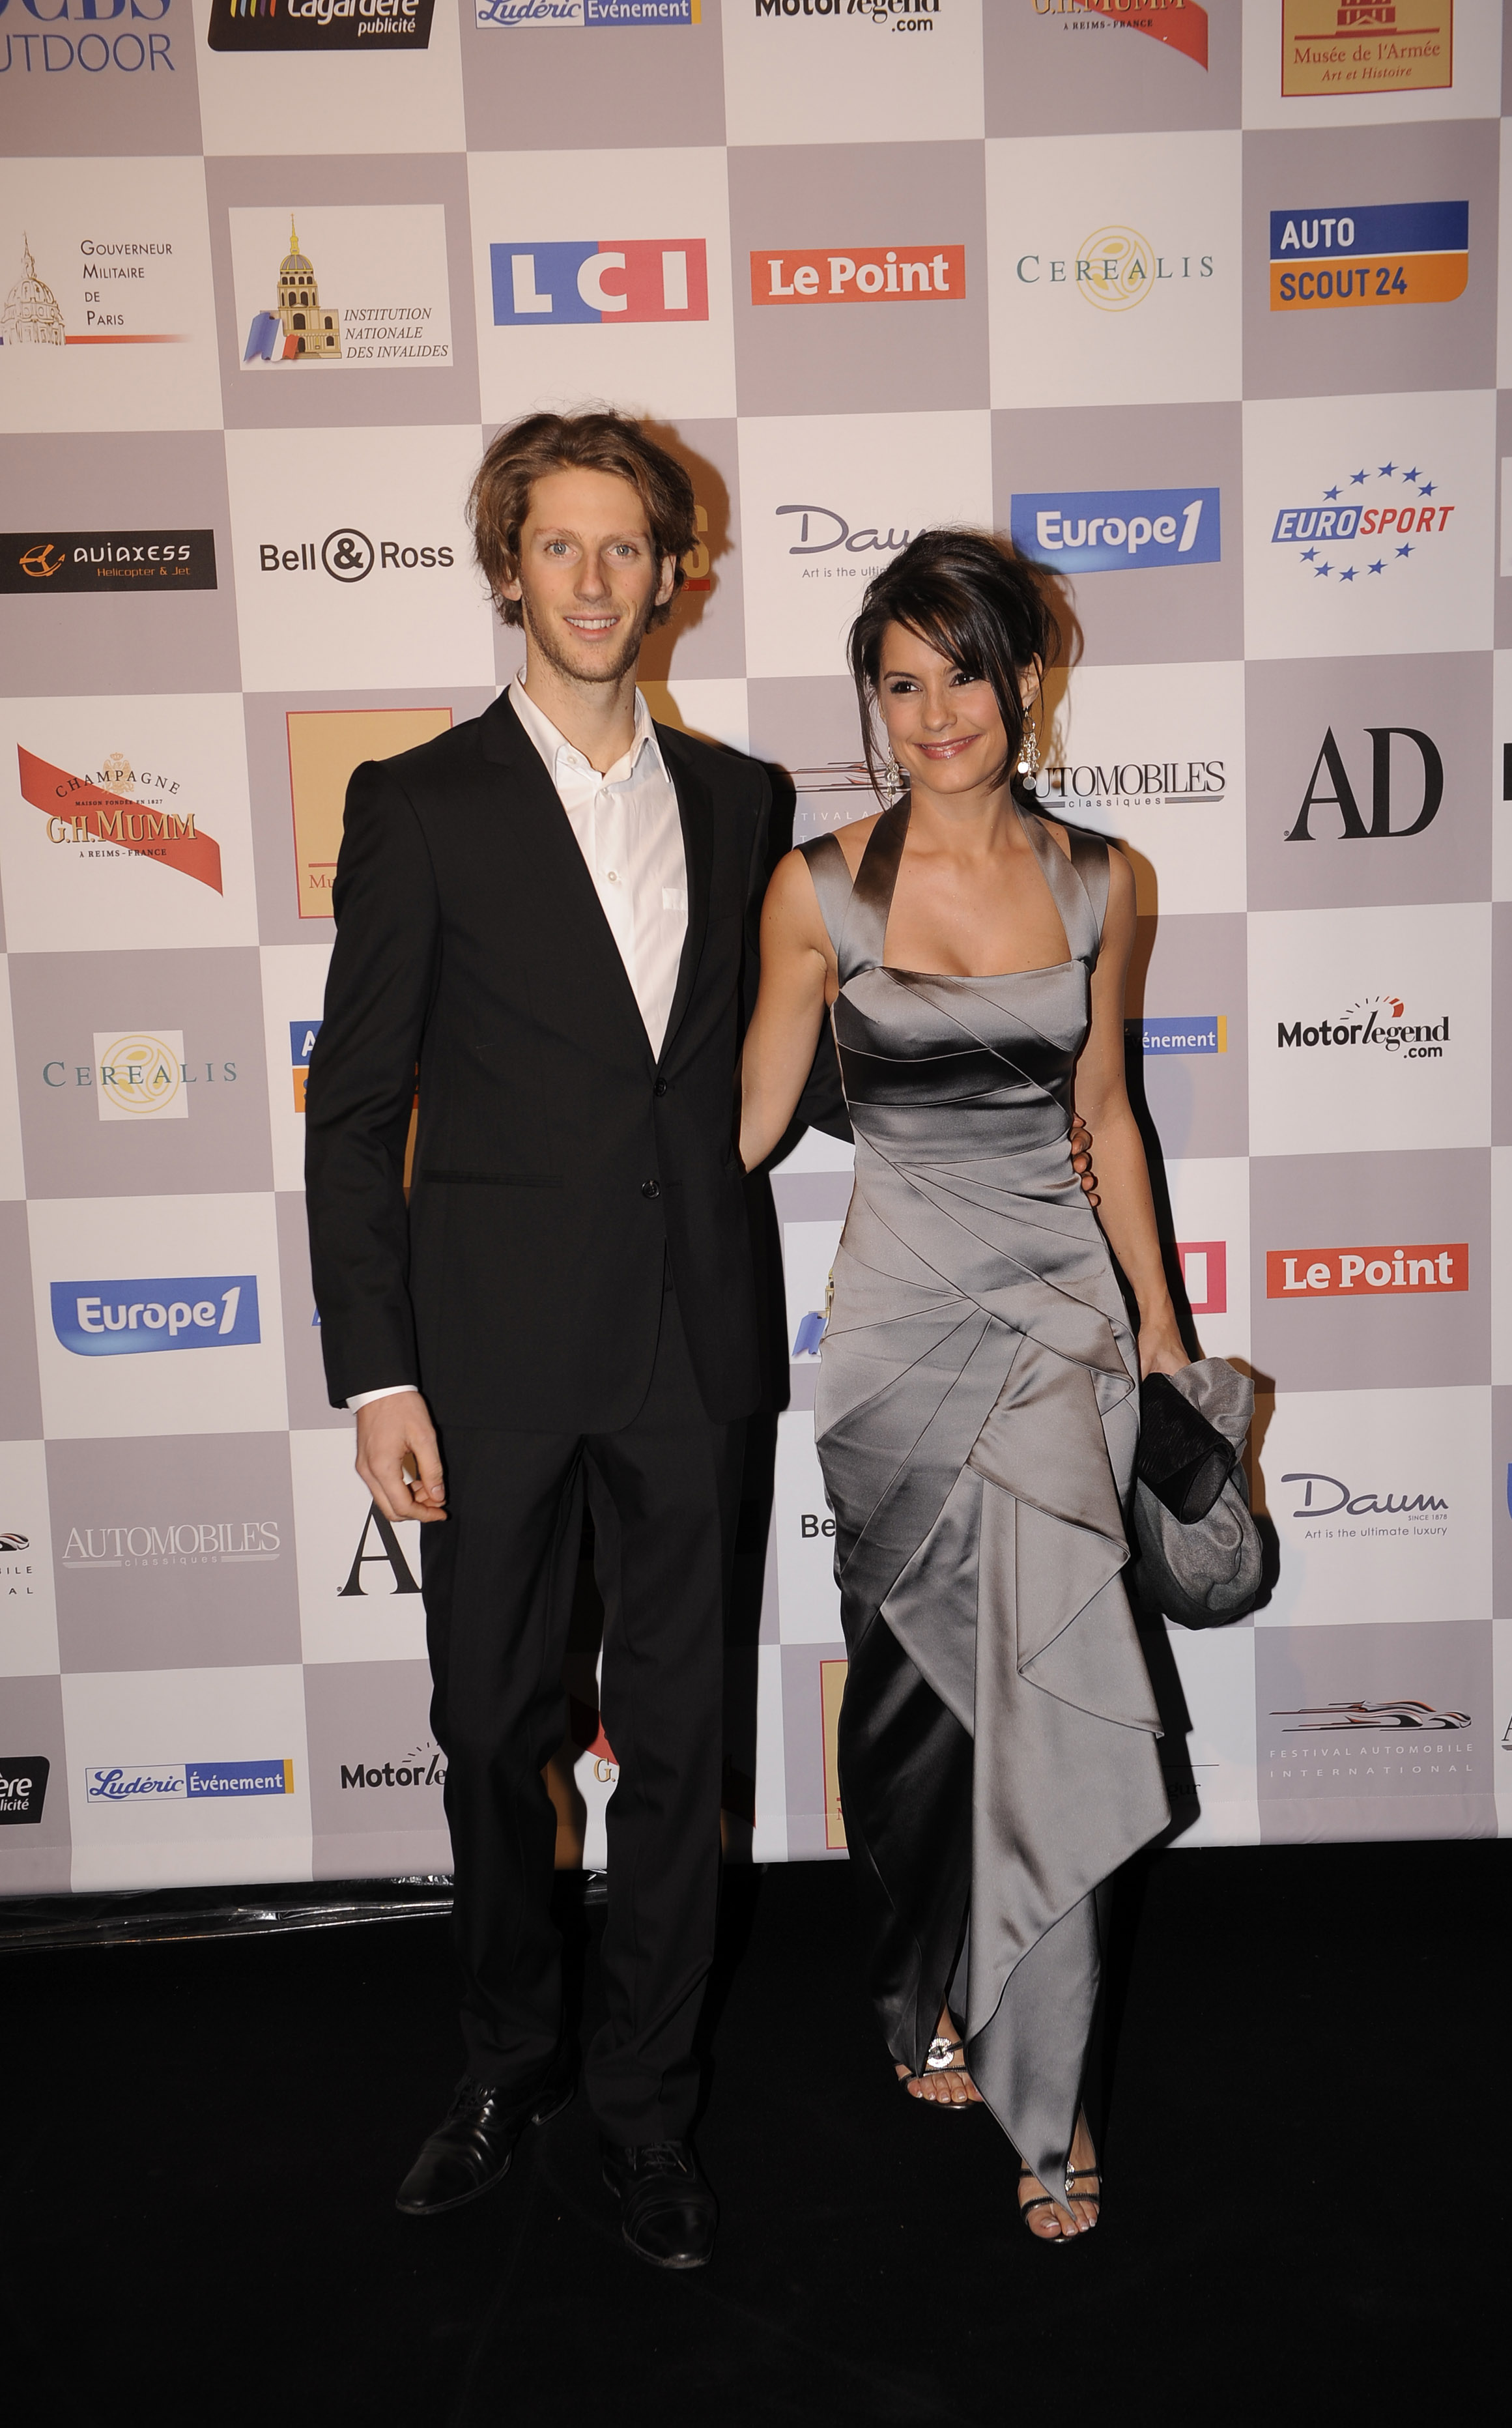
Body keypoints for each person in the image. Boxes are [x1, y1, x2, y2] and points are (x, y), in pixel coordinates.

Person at [306, 408, 782, 2272]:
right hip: (490, 1364)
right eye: (559, 544)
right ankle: (509, 2062)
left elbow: (765, 1069)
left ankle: (650, 2108)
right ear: (510, 567)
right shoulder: (419, 801)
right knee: (491, 1733)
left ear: (674, 576)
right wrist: (379, 1372)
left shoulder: (743, 803)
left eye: (625, 546)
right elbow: (358, 1112)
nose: (594, 579)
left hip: (692, 1352)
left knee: (679, 1751)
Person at [738, 530, 1191, 2243]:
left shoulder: (1106, 883)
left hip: (1061, 1326)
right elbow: (742, 1126)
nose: (936, 715)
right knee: (918, 1706)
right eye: (902, 683)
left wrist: (1164, 1334)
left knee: (1055, 1709)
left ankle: (1048, 2096)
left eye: (966, 675)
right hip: (893, 1343)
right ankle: (927, 1970)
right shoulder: (818, 890)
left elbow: (1110, 1120)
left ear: (1025, 680)